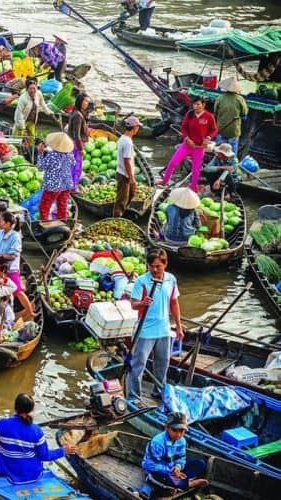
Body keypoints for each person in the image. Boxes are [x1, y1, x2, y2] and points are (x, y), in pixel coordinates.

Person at [128, 248, 182, 402]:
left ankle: (158, 391)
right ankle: (134, 397)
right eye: (151, 266)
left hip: (163, 329)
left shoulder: (171, 279)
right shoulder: (142, 281)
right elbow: (133, 304)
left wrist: (178, 326)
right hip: (144, 331)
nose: (154, 269)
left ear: (165, 265)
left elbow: (174, 303)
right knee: (138, 365)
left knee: (162, 363)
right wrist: (142, 303)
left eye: (158, 266)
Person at [0, 394, 78, 483]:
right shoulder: (36, 431)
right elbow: (45, 456)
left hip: (7, 475)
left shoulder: (1, 425)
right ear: (32, 409)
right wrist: (63, 451)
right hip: (33, 475)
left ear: (15, 407)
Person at [160, 97, 217, 192]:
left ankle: (193, 187)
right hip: (187, 145)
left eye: (198, 104)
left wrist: (208, 138)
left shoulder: (209, 116)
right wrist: (187, 138)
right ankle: (164, 181)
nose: (196, 106)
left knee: (196, 169)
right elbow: (183, 128)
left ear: (203, 105)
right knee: (173, 162)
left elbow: (214, 130)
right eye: (194, 104)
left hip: (199, 147)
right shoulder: (189, 114)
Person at [0, 211, 36, 320]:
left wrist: (1, 257)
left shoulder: (15, 236)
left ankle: (30, 312)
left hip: (10, 268)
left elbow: (13, 255)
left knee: (17, 291)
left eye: (1, 221)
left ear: (8, 223)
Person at [143, 412, 209, 491]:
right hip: (157, 471)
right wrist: (171, 472)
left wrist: (178, 467)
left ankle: (178, 483)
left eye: (182, 431)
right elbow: (150, 465)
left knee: (200, 464)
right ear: (167, 427)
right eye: (175, 430)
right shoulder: (158, 443)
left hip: (173, 470)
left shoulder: (182, 441)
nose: (178, 434)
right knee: (158, 476)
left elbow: (181, 458)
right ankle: (188, 484)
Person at [36, 132, 75, 221]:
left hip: (53, 186)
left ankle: (45, 224)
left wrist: (40, 153)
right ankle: (63, 222)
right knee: (62, 205)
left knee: (44, 207)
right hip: (66, 185)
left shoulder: (52, 155)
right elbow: (73, 163)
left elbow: (40, 167)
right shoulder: (69, 154)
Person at [115, 116, 142, 218]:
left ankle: (123, 215)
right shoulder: (128, 142)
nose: (138, 129)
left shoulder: (123, 138)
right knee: (121, 201)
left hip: (122, 172)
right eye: (138, 127)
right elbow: (127, 161)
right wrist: (131, 178)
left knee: (131, 194)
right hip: (124, 174)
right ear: (134, 127)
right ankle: (117, 219)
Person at [213, 76, 249, 155]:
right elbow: (244, 114)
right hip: (234, 131)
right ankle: (232, 165)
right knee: (232, 152)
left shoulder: (220, 98)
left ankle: (217, 163)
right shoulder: (240, 99)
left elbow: (215, 112)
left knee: (219, 150)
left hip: (221, 128)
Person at [13, 79, 55, 145]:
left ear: (36, 88)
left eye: (34, 88)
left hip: (32, 121)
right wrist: (23, 128)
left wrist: (49, 112)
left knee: (32, 138)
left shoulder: (39, 94)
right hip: (22, 121)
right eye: (30, 89)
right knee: (18, 140)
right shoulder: (23, 98)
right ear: (27, 89)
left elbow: (43, 104)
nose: (32, 91)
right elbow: (19, 113)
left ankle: (30, 151)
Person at [67, 94, 90, 191]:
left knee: (74, 166)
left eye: (87, 102)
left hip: (74, 144)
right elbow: (76, 135)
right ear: (80, 102)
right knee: (76, 167)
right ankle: (72, 188)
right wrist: (80, 149)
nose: (87, 103)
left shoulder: (78, 113)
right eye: (85, 101)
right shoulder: (77, 115)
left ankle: (71, 186)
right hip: (76, 145)